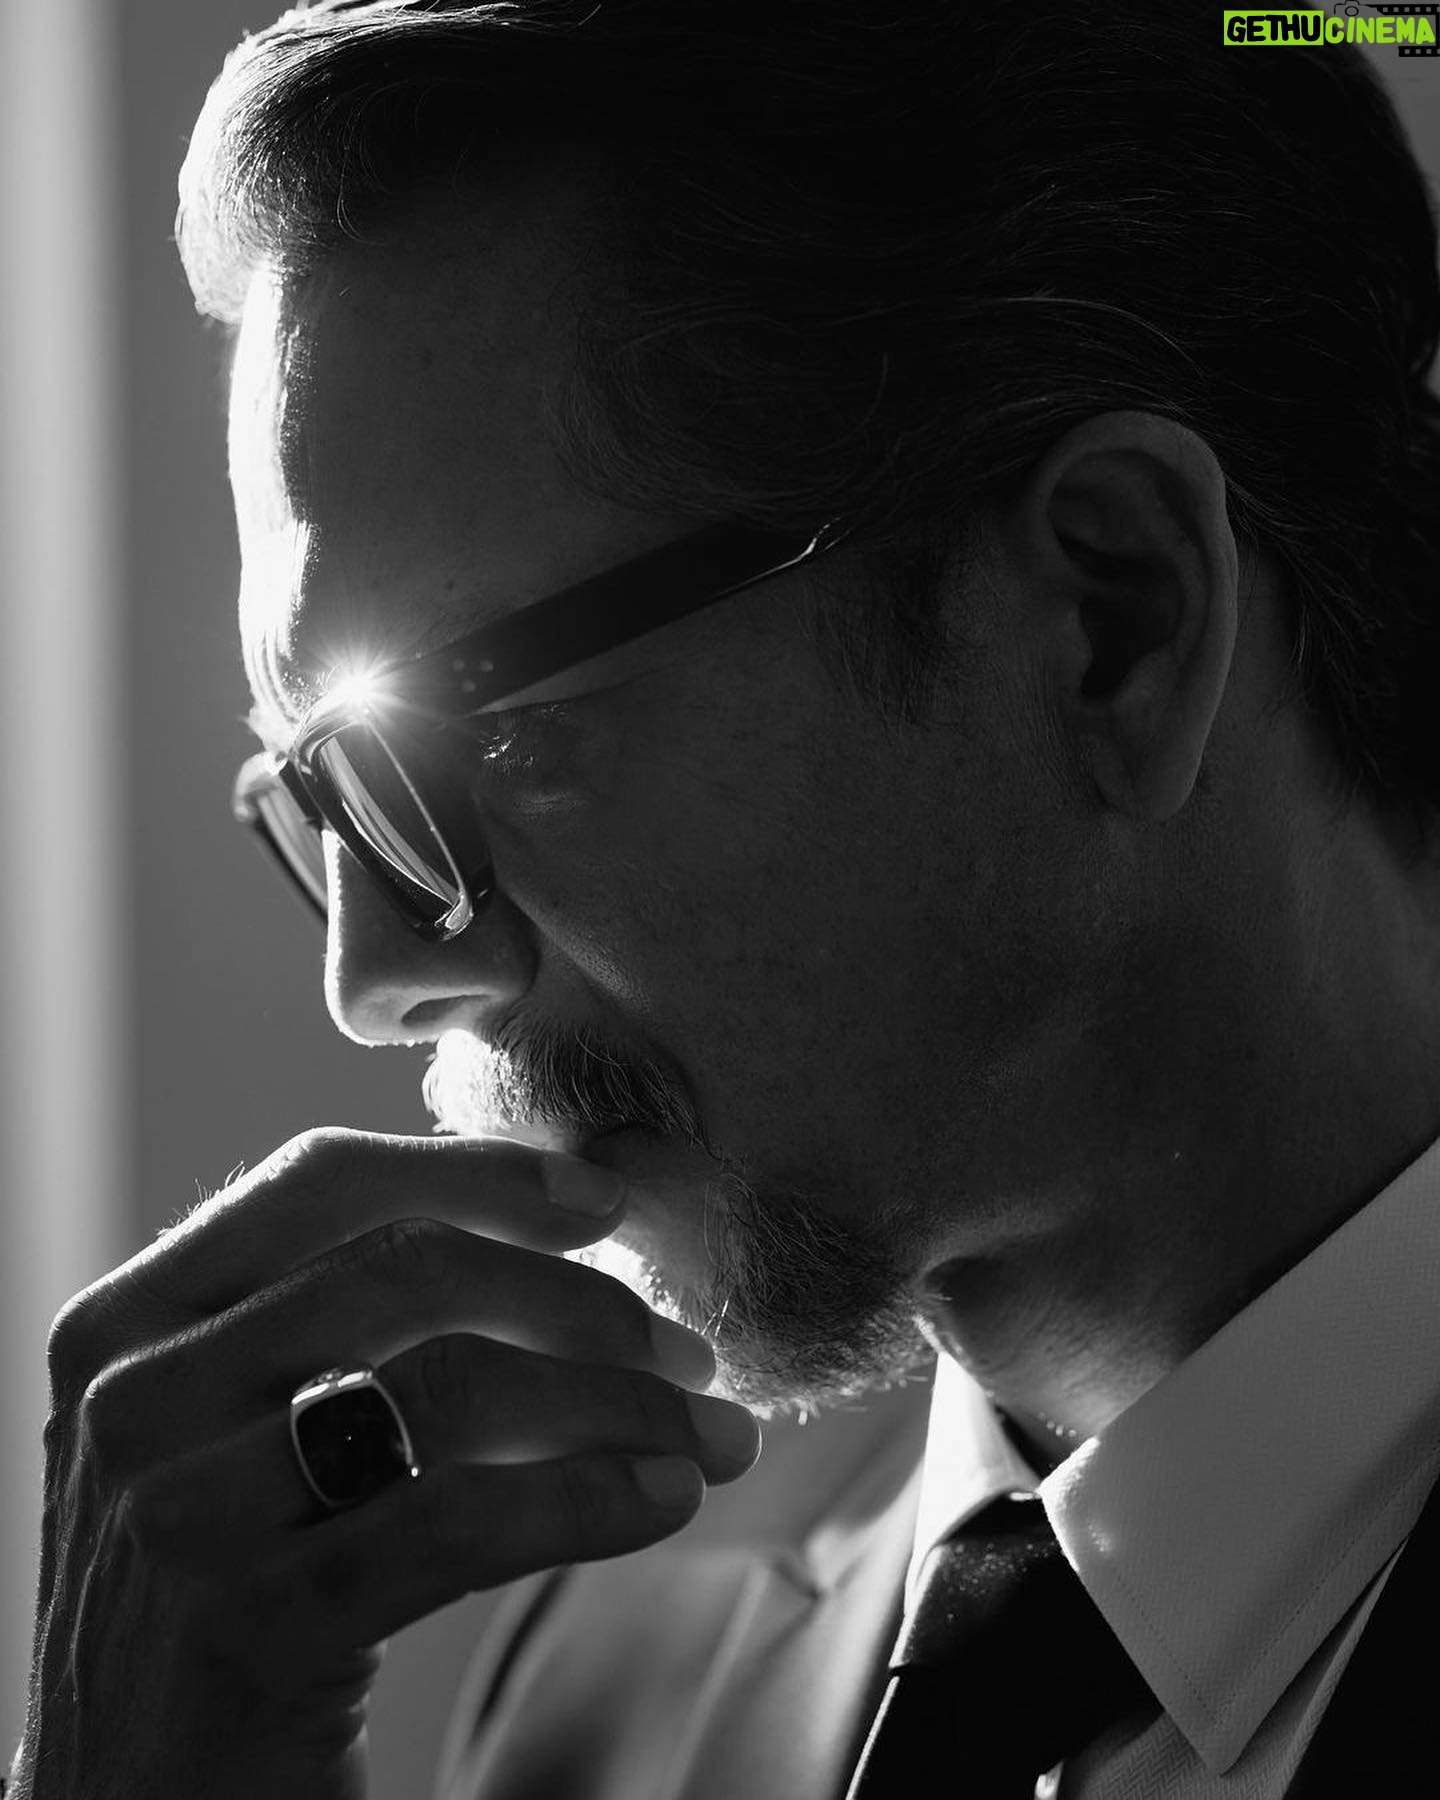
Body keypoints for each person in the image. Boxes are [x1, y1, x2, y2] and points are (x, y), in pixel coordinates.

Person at [10, 0, 1440, 1794]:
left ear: (1112, 619)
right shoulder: (592, 1713)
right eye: (324, 793)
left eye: (467, 733)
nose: (373, 979)